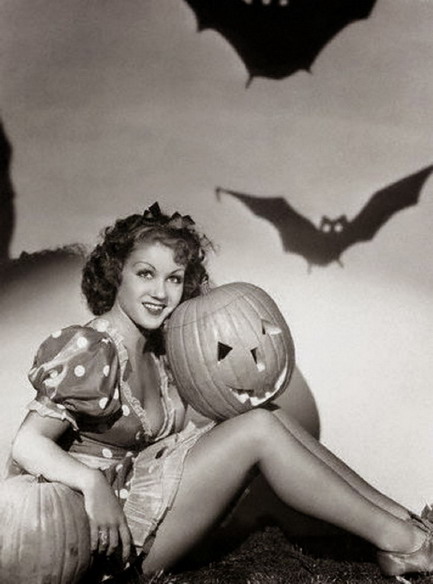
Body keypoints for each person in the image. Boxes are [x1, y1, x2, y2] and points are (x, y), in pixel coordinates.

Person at [7, 202, 433, 580]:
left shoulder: (159, 353)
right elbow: (26, 444)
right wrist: (92, 485)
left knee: (264, 415)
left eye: (174, 278)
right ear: (116, 273)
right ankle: (406, 544)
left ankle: (407, 525)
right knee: (257, 430)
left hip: (137, 502)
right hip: (97, 538)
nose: (161, 292)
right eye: (145, 273)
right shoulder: (92, 346)